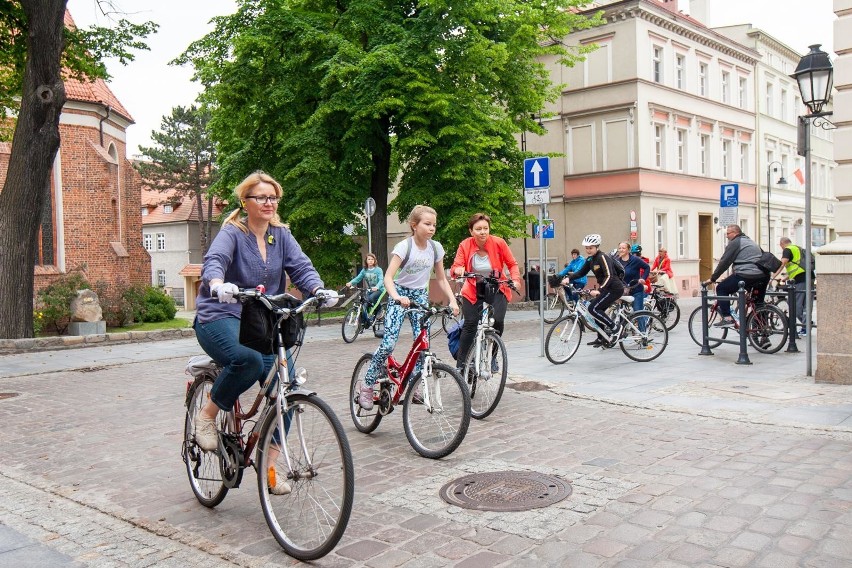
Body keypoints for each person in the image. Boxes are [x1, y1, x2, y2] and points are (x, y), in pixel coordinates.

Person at [192, 171, 337, 494]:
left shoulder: (281, 235)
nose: (269, 202)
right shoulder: (233, 232)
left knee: (285, 386)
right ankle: (207, 416)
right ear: (246, 202)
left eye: (273, 197)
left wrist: (317, 289)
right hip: (220, 314)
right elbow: (214, 261)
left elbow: (301, 267)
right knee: (249, 361)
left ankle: (269, 470)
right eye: (261, 197)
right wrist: (217, 284)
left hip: (260, 319)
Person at [358, 205, 460, 410]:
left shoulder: (435, 248)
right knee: (388, 344)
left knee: (423, 345)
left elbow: (440, 278)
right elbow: (388, 277)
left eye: (434, 225)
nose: (432, 228)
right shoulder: (404, 247)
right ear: (414, 225)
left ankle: (413, 386)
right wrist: (396, 297)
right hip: (400, 294)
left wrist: (452, 300)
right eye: (427, 224)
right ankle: (367, 384)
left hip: (420, 296)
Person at [450, 213, 521, 370]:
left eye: (485, 228)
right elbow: (455, 267)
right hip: (473, 288)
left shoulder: (499, 243)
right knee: (470, 324)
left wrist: (515, 280)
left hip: (497, 287)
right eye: (478, 229)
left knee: (497, 320)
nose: (482, 232)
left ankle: (493, 355)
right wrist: (459, 269)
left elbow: (512, 264)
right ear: (471, 231)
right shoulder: (465, 245)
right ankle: (461, 365)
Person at [562, 234, 626, 347]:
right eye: (586, 248)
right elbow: (581, 272)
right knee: (593, 311)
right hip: (607, 288)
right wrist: (568, 278)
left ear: (597, 247)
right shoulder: (591, 259)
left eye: (591, 248)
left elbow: (609, 276)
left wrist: (600, 290)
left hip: (614, 288)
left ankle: (616, 328)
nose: (588, 250)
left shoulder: (602, 257)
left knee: (593, 308)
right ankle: (601, 338)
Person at [705, 224, 768, 327]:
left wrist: (713, 278)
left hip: (746, 275)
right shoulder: (750, 241)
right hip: (763, 275)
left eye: (728, 233)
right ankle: (761, 334)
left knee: (721, 288)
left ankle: (727, 318)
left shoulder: (735, 242)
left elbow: (724, 262)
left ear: (735, 233)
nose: (726, 236)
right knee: (758, 304)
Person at [770, 237, 807, 335]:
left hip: (800, 279)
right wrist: (785, 278)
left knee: (795, 305)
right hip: (808, 277)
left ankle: (806, 325)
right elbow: (796, 267)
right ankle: (806, 327)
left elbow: (781, 265)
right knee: (806, 306)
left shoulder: (787, 250)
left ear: (782, 244)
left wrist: (772, 277)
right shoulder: (797, 248)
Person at [617, 242, 650, 320]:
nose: (621, 250)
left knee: (638, 312)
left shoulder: (635, 260)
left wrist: (643, 278)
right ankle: (623, 331)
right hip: (624, 290)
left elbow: (647, 267)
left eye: (623, 248)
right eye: (620, 248)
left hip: (636, 289)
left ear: (628, 250)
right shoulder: (617, 261)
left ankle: (642, 331)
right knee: (621, 313)